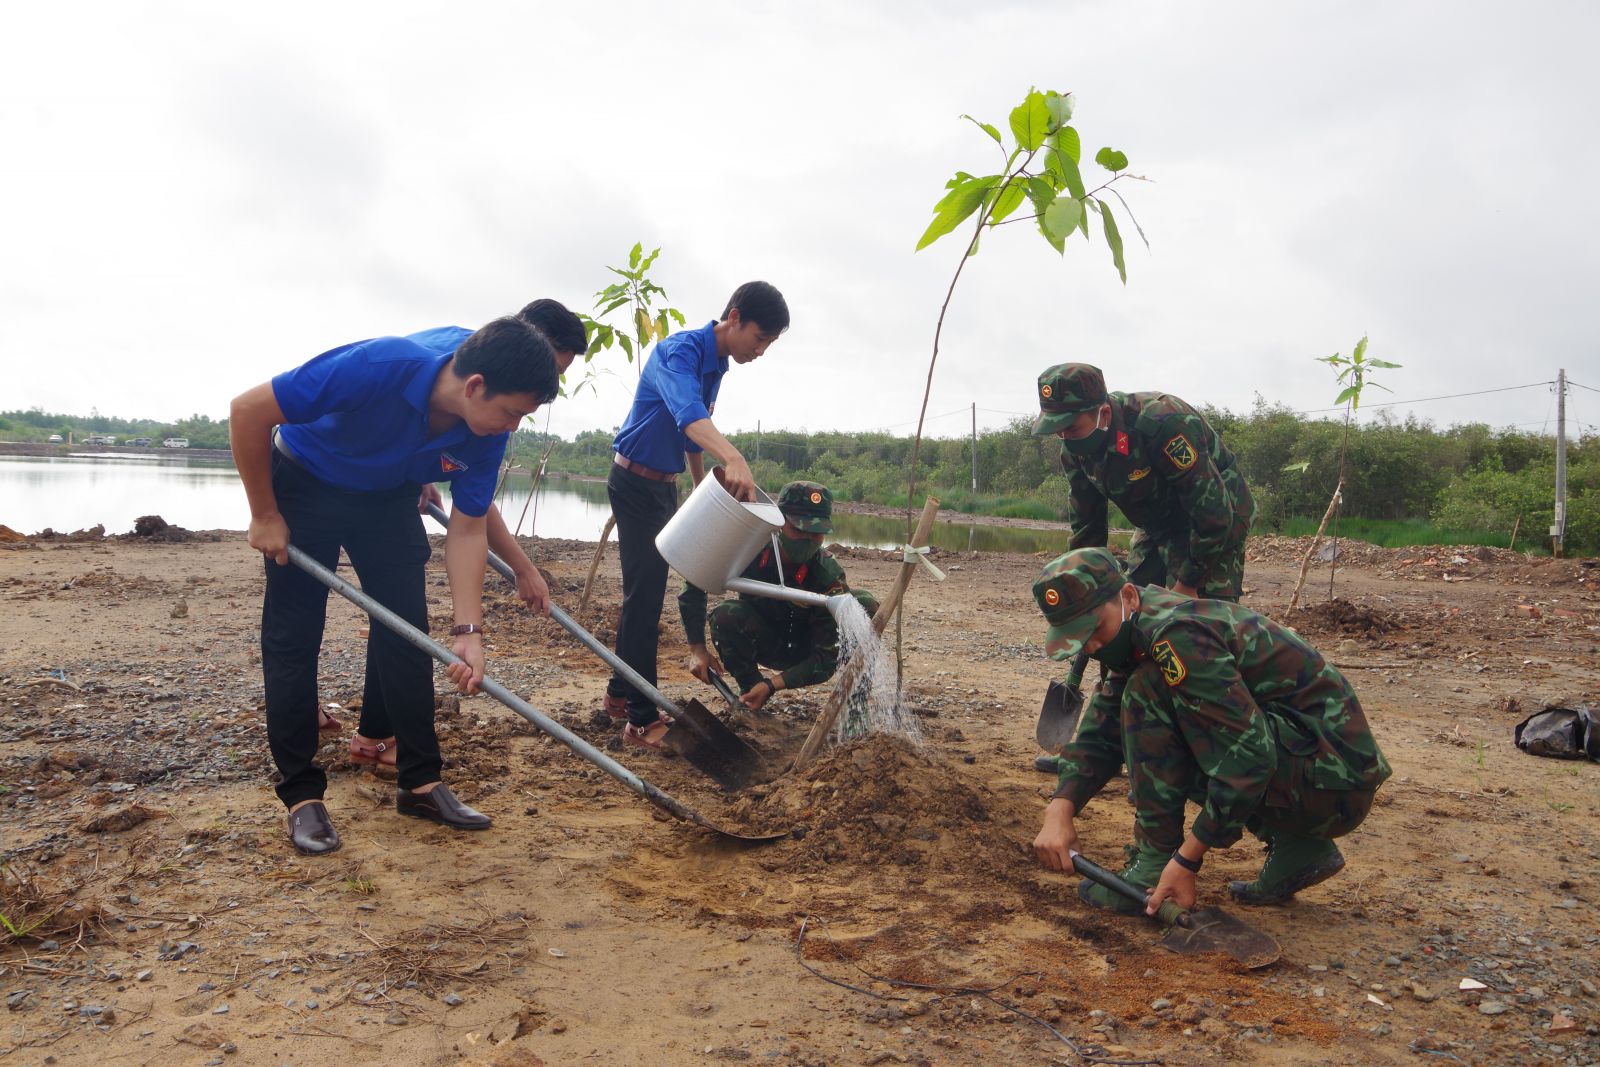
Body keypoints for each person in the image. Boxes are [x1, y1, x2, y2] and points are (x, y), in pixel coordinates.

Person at [229, 316, 561, 855]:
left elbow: (469, 527)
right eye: (511, 413)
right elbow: (248, 411)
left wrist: (469, 629)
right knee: (294, 636)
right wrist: (264, 512)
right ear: (475, 386)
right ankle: (301, 796)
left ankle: (420, 782)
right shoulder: (376, 367)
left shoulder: (485, 431)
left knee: (406, 630)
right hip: (307, 479)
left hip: (386, 497)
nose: (513, 427)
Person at [1027, 548, 1391, 912]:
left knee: (1148, 692)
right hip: (1315, 771)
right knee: (1154, 704)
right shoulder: (1135, 627)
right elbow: (1101, 731)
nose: (1091, 646)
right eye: (1078, 639)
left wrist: (1186, 860)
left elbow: (1249, 757)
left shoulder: (1176, 636)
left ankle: (1152, 864)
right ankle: (1299, 848)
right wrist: (1061, 809)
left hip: (1336, 784)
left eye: (1094, 630)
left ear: (1128, 596)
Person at [357, 299, 586, 770]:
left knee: (397, 616)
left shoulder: (493, 399)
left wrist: (422, 471)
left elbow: (474, 505)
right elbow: (470, 510)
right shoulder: (455, 362)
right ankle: (370, 736)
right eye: (550, 369)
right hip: (353, 479)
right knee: (394, 618)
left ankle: (374, 734)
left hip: (398, 481)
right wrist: (522, 569)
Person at [605, 281, 789, 747]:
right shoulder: (678, 352)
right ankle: (641, 721)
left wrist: (700, 486)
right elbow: (689, 415)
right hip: (634, 483)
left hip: (663, 486)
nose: (761, 351)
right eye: (760, 338)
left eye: (769, 344)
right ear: (734, 317)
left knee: (644, 594)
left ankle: (619, 694)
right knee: (644, 601)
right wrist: (734, 459)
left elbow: (691, 438)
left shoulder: (717, 366)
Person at [1033, 363, 1253, 601]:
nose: (1064, 437)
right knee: (1132, 600)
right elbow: (1087, 524)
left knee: (1196, 617)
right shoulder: (1075, 449)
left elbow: (1213, 512)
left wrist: (1189, 583)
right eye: (1058, 430)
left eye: (1071, 428)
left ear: (1104, 414)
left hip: (1217, 515)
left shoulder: (1161, 423)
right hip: (1157, 520)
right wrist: (1081, 580)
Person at [676, 482, 877, 719]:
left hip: (806, 650)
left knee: (864, 603)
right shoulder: (747, 549)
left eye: (816, 533)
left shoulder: (827, 574)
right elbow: (696, 581)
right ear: (778, 523)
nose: (808, 540)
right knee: (725, 615)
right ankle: (750, 696)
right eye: (799, 530)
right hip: (765, 640)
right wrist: (697, 649)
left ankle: (856, 708)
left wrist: (773, 684)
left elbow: (825, 659)